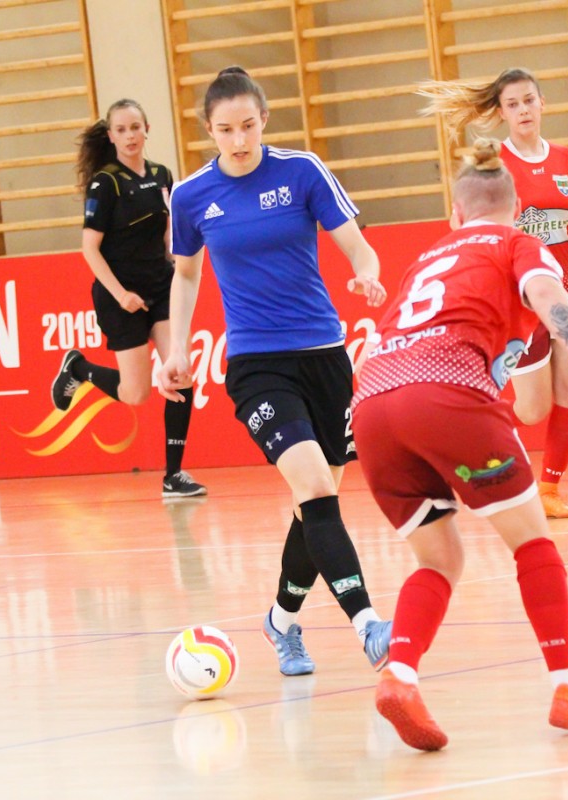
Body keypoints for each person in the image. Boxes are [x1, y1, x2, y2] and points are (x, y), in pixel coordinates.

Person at [350, 139, 568, 751]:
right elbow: (552, 300)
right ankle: (567, 690)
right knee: (532, 541)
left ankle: (399, 675)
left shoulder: (426, 258)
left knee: (439, 559)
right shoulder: (517, 243)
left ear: (454, 213)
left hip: (372, 404)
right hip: (446, 392)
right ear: (516, 210)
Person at [156, 66, 392, 676]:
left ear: (264, 119)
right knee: (314, 488)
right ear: (208, 130)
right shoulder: (191, 196)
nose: (239, 140)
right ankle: (369, 624)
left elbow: (356, 243)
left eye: (248, 125)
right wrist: (176, 349)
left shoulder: (302, 172)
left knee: (315, 502)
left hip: (325, 358)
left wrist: (366, 273)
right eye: (225, 129)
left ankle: (281, 622)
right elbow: (186, 274)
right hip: (257, 365)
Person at [418, 67, 568, 518]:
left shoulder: (567, 160)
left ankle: (549, 491)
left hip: (567, 289)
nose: (524, 110)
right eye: (513, 104)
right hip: (521, 297)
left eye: (529, 100)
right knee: (533, 409)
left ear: (542, 103)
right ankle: (458, 435)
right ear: (501, 113)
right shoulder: (495, 165)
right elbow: (463, 224)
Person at [51, 99, 206, 499]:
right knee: (135, 394)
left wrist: (179, 264)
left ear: (147, 128)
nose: (130, 136)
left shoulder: (161, 175)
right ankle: (79, 369)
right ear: (111, 136)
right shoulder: (106, 183)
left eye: (136, 127)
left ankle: (174, 474)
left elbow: (168, 232)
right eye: (121, 130)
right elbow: (90, 249)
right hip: (120, 295)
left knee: (180, 371)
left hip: (161, 285)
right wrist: (121, 295)